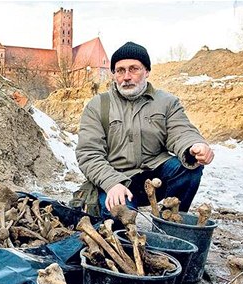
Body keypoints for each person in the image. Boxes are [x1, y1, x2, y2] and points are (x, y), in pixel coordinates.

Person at [76, 41, 214, 219]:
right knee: (120, 220)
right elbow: (89, 153)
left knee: (189, 167)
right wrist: (111, 183)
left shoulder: (166, 102)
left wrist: (194, 146)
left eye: (134, 69)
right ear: (113, 74)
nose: (126, 76)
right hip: (118, 179)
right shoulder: (98, 106)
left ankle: (172, 222)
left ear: (147, 71)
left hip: (157, 175)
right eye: (120, 70)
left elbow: (181, 131)